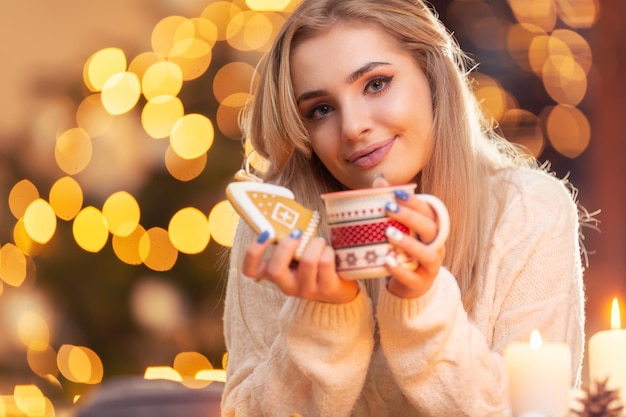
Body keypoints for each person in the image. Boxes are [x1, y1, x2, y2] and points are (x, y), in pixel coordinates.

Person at [221, 0, 591, 415]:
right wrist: (323, 319)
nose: (352, 127)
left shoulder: (529, 212)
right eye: (321, 110)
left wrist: (421, 305)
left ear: (432, 75)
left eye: (375, 84)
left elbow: (536, 411)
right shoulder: (277, 231)